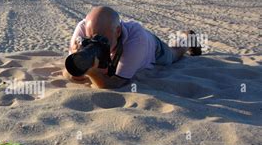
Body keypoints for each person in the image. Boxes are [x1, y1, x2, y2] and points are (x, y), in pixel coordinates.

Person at [63, 6, 202, 89]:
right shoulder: (82, 29)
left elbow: (116, 83)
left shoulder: (136, 40)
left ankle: (187, 38)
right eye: (92, 38)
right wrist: (78, 57)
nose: (97, 43)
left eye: (103, 39)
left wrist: (91, 72)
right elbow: (70, 73)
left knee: (174, 54)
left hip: (152, 47)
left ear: (117, 31)